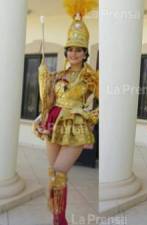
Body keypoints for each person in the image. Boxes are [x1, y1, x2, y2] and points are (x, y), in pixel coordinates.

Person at [33, 0, 98, 224]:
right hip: (53, 124)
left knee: (59, 171)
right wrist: (43, 81)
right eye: (70, 49)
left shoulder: (92, 77)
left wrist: (87, 115)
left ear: (84, 53)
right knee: (54, 173)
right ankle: (57, 218)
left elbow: (107, 105)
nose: (73, 53)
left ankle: (60, 220)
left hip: (76, 128)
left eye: (78, 50)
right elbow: (48, 101)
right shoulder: (57, 75)